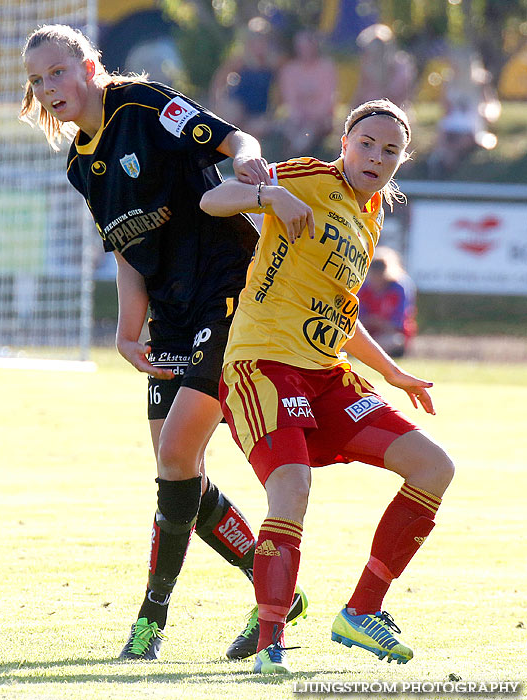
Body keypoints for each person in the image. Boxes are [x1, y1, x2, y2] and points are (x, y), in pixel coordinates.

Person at [20, 24, 308, 662]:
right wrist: (127, 332)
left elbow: (237, 137)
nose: (48, 89)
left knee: (176, 457)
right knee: (179, 473)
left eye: (57, 73)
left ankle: (150, 622)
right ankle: (276, 590)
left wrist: (248, 162)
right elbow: (129, 249)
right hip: (171, 317)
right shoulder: (79, 165)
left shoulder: (146, 106)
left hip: (226, 293)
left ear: (90, 67)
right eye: (37, 82)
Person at [200, 99, 455, 674]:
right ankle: (271, 644)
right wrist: (269, 195)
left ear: (401, 161)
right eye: (366, 142)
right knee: (291, 488)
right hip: (262, 364)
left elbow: (343, 308)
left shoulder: (371, 216)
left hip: (327, 374)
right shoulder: (309, 177)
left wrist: (391, 371)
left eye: (390, 150)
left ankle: (362, 612)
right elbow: (213, 199)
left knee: (433, 467)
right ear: (345, 142)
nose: (376, 156)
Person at [427, 46, 501, 177]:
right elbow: (444, 107)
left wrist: (487, 114)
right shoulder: (449, 82)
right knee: (444, 136)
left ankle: (448, 167)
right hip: (452, 122)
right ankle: (445, 167)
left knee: (463, 140)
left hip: (470, 123)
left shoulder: (480, 83)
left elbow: (491, 105)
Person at [209, 17, 284, 142]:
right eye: (255, 41)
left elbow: (280, 90)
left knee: (258, 129)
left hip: (258, 110)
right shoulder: (241, 61)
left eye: (262, 40)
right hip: (238, 104)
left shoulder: (273, 64)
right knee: (232, 117)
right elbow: (219, 79)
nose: (259, 44)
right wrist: (217, 102)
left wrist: (273, 112)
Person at [276, 29, 338, 155]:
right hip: (297, 119)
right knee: (289, 129)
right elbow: (290, 99)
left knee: (308, 132)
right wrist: (299, 116)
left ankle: (294, 157)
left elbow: (327, 99)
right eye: (301, 47)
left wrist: (313, 117)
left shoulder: (326, 67)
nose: (305, 50)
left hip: (320, 120)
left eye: (308, 46)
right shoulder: (289, 70)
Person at [357, 246, 417, 358]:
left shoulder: (399, 288)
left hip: (389, 336)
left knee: (394, 341)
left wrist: (378, 323)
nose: (377, 277)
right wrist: (370, 321)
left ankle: (366, 355)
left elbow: (398, 324)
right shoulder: (364, 288)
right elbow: (356, 320)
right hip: (365, 335)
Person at [351, 24, 416, 112]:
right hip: (368, 113)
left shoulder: (401, 67)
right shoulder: (368, 66)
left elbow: (399, 96)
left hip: (394, 113)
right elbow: (359, 96)